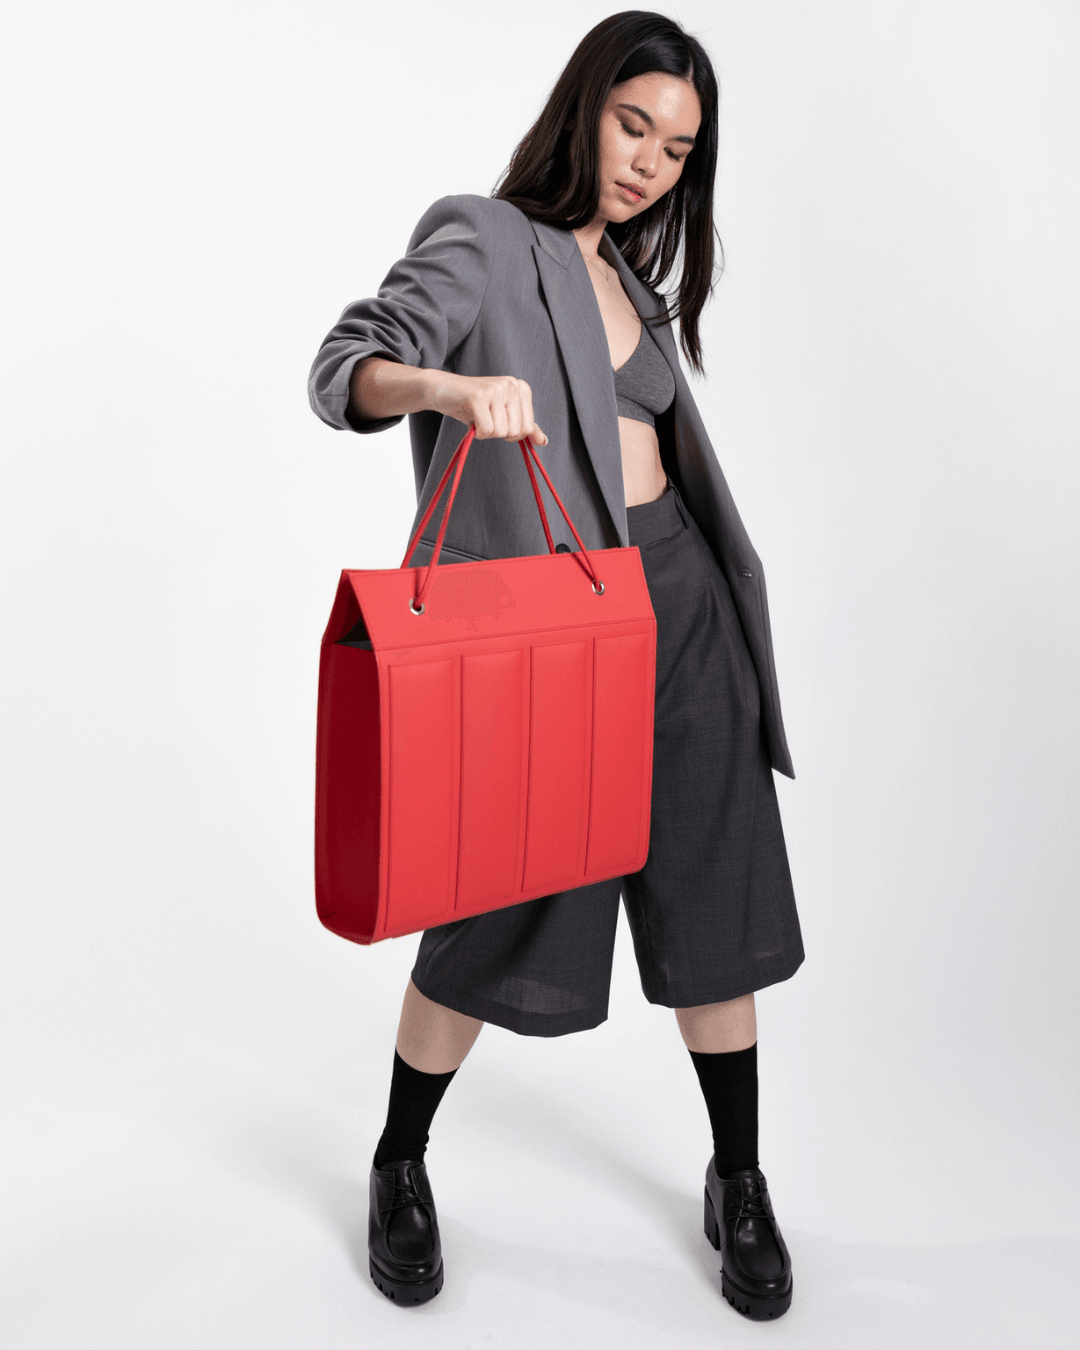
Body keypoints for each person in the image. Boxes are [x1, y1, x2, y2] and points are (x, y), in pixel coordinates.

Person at [308, 10, 804, 1321]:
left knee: (712, 889)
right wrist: (448, 393)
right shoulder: (485, 237)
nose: (648, 163)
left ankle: (740, 1178)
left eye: (677, 149)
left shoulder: (634, 280)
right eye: (634, 125)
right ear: (584, 107)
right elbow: (343, 368)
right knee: (499, 901)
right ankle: (399, 1158)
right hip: (560, 630)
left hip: (684, 606)